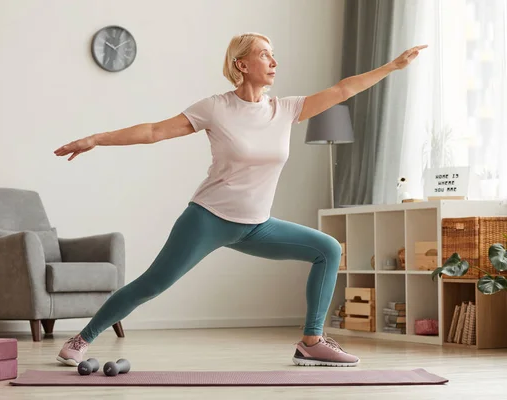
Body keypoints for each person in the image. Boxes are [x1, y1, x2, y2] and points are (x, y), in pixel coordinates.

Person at [53, 32, 426, 367]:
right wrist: (95, 139)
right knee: (152, 284)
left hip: (257, 226)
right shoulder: (216, 108)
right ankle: (80, 339)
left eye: (274, 54)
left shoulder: (286, 110)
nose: (274, 61)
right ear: (241, 64)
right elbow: (153, 131)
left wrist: (393, 66)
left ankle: (311, 342)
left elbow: (343, 90)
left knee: (328, 248)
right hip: (208, 219)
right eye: (265, 54)